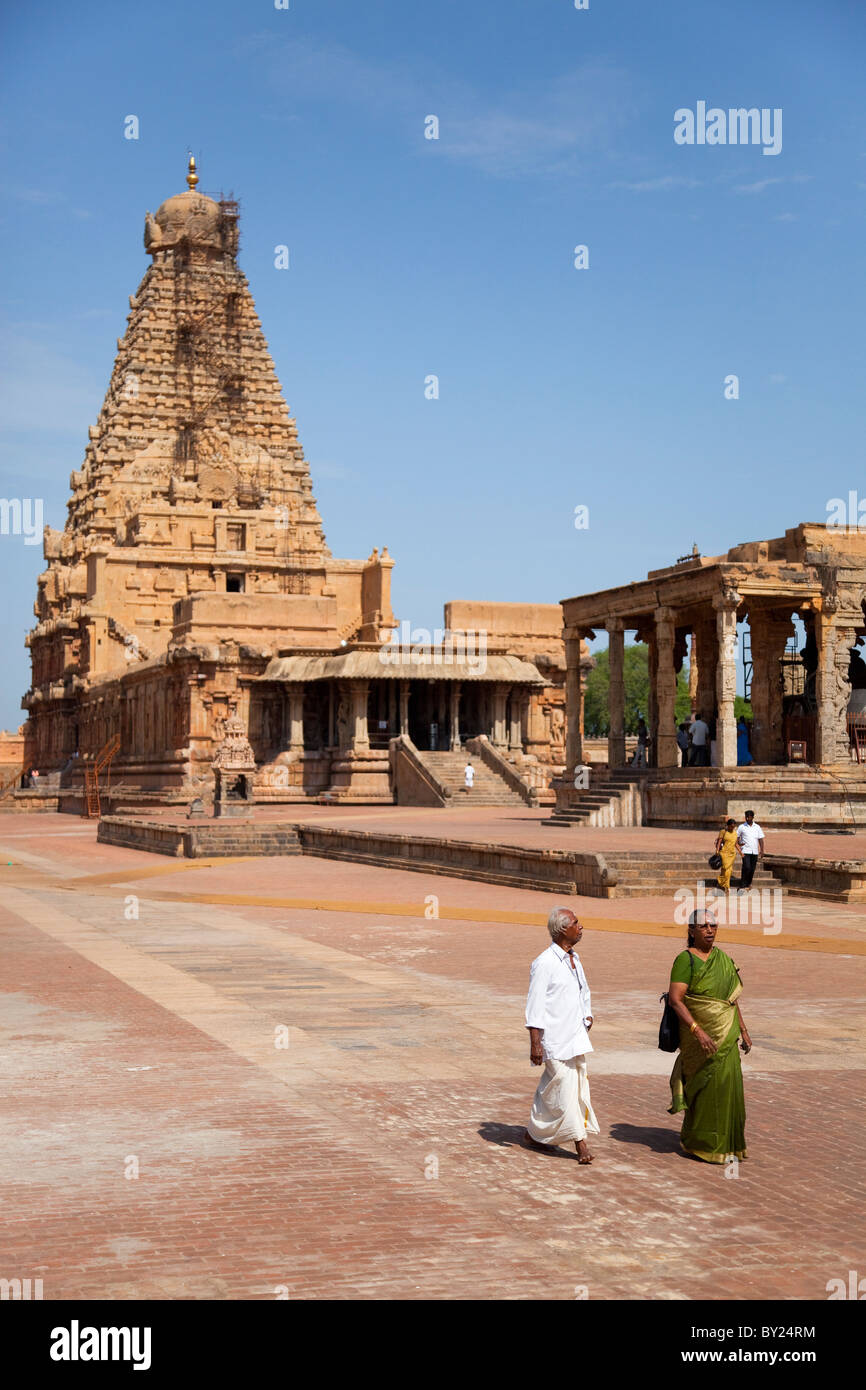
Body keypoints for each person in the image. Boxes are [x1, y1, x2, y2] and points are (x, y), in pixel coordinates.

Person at [667, 909, 752, 1164]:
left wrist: (744, 1031)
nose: (710, 929)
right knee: (704, 1091)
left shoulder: (724, 960)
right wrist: (698, 1031)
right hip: (698, 1040)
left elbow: (732, 1001)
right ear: (691, 931)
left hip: (726, 1038)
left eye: (713, 925)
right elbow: (676, 1000)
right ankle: (700, 1143)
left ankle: (728, 1144)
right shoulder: (685, 960)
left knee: (728, 1087)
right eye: (703, 926)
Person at [524, 908, 599, 1164]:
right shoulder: (544, 963)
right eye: (576, 923)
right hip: (554, 1040)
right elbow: (534, 1006)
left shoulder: (575, 959)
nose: (581, 927)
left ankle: (535, 1133)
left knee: (559, 1087)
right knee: (566, 1089)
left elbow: (583, 993)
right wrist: (535, 1044)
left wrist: (587, 1016)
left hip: (576, 1037)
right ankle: (580, 1143)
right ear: (562, 930)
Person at [737, 809, 765, 889]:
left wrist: (762, 850)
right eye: (746, 817)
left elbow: (761, 839)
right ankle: (742, 883)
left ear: (752, 817)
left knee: (752, 868)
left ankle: (749, 883)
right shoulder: (741, 827)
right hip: (745, 850)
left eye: (749, 817)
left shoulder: (757, 827)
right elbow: (737, 837)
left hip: (754, 851)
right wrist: (739, 843)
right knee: (746, 867)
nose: (747, 819)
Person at [714, 817, 740, 894]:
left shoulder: (735, 833)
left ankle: (720, 884)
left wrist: (741, 852)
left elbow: (736, 843)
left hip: (732, 854)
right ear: (727, 825)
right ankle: (727, 886)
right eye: (731, 826)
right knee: (726, 869)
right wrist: (717, 850)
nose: (732, 828)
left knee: (728, 870)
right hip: (724, 853)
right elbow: (719, 841)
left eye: (734, 827)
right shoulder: (723, 832)